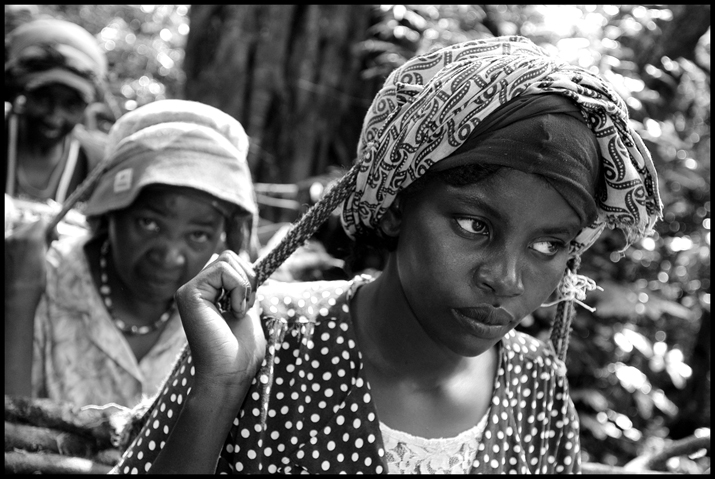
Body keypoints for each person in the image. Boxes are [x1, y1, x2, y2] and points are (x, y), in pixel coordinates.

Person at [110, 36, 663, 474]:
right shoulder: (261, 341)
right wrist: (220, 388)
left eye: (550, 245)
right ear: (396, 205)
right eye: (474, 225)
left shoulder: (538, 384)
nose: (506, 278)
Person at [4, 99, 259, 409]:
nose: (170, 256)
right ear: (111, 211)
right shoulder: (39, 277)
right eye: (149, 223)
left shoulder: (229, 312)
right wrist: (18, 297)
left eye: (198, 235)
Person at [4, 17, 108, 204]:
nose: (54, 117)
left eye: (71, 105)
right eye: (44, 99)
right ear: (23, 93)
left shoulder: (92, 163)